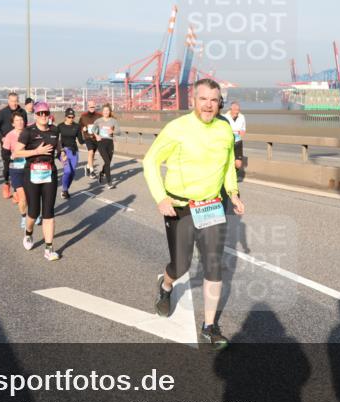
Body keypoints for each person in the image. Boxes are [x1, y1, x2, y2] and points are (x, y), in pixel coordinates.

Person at [142, 78, 244, 349]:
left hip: (211, 206)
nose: (209, 105)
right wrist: (160, 198)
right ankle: (166, 286)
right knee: (181, 265)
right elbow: (150, 161)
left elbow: (228, 165)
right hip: (179, 207)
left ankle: (209, 327)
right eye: (203, 99)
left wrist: (233, 193)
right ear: (193, 101)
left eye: (214, 100)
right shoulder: (177, 128)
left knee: (213, 264)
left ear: (219, 102)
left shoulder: (224, 127)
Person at [14, 102, 61, 259]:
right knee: (33, 212)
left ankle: (49, 249)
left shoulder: (55, 130)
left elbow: (58, 148)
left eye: (45, 113)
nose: (43, 116)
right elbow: (17, 153)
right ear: (35, 115)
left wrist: (62, 155)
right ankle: (28, 233)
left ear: (49, 114)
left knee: (48, 212)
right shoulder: (28, 132)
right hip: (32, 173)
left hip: (49, 173)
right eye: (40, 113)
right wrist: (36, 151)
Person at [0, 93, 28, 199]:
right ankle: (6, 183)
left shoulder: (22, 112)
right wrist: (2, 138)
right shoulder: (3, 112)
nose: (14, 103)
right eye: (12, 101)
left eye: (16, 101)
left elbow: (25, 125)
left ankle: (17, 190)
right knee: (7, 167)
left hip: (21, 141)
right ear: (8, 101)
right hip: (7, 142)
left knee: (22, 165)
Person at [2, 114, 30, 229]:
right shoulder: (9, 136)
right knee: (22, 196)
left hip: (29, 168)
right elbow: (4, 154)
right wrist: (12, 156)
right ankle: (24, 216)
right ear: (13, 123)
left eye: (21, 119)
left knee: (32, 195)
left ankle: (34, 213)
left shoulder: (29, 133)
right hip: (16, 169)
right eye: (17, 120)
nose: (20, 122)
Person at [57, 107, 84, 199]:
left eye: (73, 117)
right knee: (67, 171)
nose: (71, 119)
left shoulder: (77, 126)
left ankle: (65, 190)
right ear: (65, 117)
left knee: (72, 173)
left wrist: (90, 136)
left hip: (73, 152)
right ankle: (64, 190)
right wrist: (61, 151)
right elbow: (56, 140)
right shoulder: (60, 126)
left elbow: (81, 141)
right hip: (63, 151)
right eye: (69, 117)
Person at [93, 104, 118, 188]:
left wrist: (113, 132)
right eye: (104, 111)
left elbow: (119, 131)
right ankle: (109, 182)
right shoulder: (98, 121)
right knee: (107, 162)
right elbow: (93, 129)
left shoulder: (113, 121)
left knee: (108, 162)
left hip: (110, 143)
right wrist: (97, 136)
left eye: (107, 110)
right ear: (102, 112)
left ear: (110, 112)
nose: (106, 112)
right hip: (101, 142)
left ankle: (102, 173)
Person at [78, 101, 102, 179]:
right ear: (88, 107)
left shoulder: (99, 116)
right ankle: (92, 171)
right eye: (90, 107)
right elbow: (79, 125)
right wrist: (83, 128)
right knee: (90, 152)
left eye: (93, 107)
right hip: (88, 137)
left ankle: (88, 166)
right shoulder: (83, 116)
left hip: (96, 137)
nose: (92, 108)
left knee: (93, 154)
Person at [224, 101, 246, 171]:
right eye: (235, 110)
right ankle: (230, 174)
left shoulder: (242, 117)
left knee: (238, 164)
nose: (237, 112)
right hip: (228, 142)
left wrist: (241, 133)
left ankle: (233, 172)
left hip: (238, 142)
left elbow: (243, 129)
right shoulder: (225, 117)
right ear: (231, 109)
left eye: (238, 110)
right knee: (227, 162)